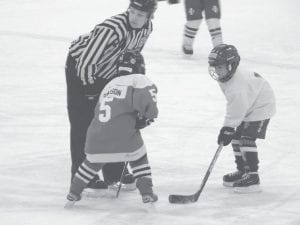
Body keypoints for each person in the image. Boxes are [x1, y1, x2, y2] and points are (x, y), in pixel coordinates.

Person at [65, 0, 158, 190]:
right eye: (132, 12)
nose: (134, 17)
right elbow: (86, 64)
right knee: (83, 122)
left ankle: (115, 172)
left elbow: (131, 55)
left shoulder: (147, 28)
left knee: (115, 120)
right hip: (80, 70)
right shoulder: (112, 29)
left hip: (109, 70)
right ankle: (82, 174)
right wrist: (91, 91)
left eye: (140, 15)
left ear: (149, 16)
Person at [65, 51, 158, 207]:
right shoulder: (139, 80)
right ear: (140, 66)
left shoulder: (109, 84)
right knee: (139, 157)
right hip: (124, 138)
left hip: (95, 137)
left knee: (92, 162)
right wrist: (146, 117)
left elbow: (100, 111)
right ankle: (147, 193)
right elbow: (148, 106)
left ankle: (73, 192)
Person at [208, 44, 276, 193]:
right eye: (214, 67)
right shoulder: (226, 77)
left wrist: (227, 127)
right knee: (236, 137)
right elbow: (237, 106)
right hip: (249, 104)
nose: (216, 71)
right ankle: (242, 171)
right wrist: (230, 129)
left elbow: (237, 108)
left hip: (261, 107)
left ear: (231, 66)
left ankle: (253, 178)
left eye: (219, 67)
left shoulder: (237, 85)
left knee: (246, 138)